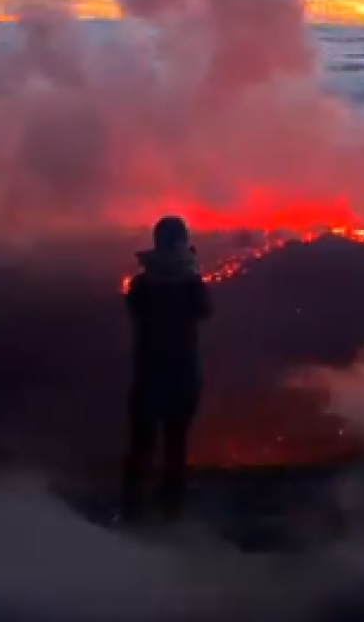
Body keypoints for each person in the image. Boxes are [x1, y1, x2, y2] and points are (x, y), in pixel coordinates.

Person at [121, 216, 213, 523]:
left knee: (141, 448)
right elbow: (204, 310)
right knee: (175, 449)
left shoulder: (141, 285)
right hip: (182, 379)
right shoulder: (190, 285)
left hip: (147, 377)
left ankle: (132, 514)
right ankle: (170, 515)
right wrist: (188, 271)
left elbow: (133, 308)